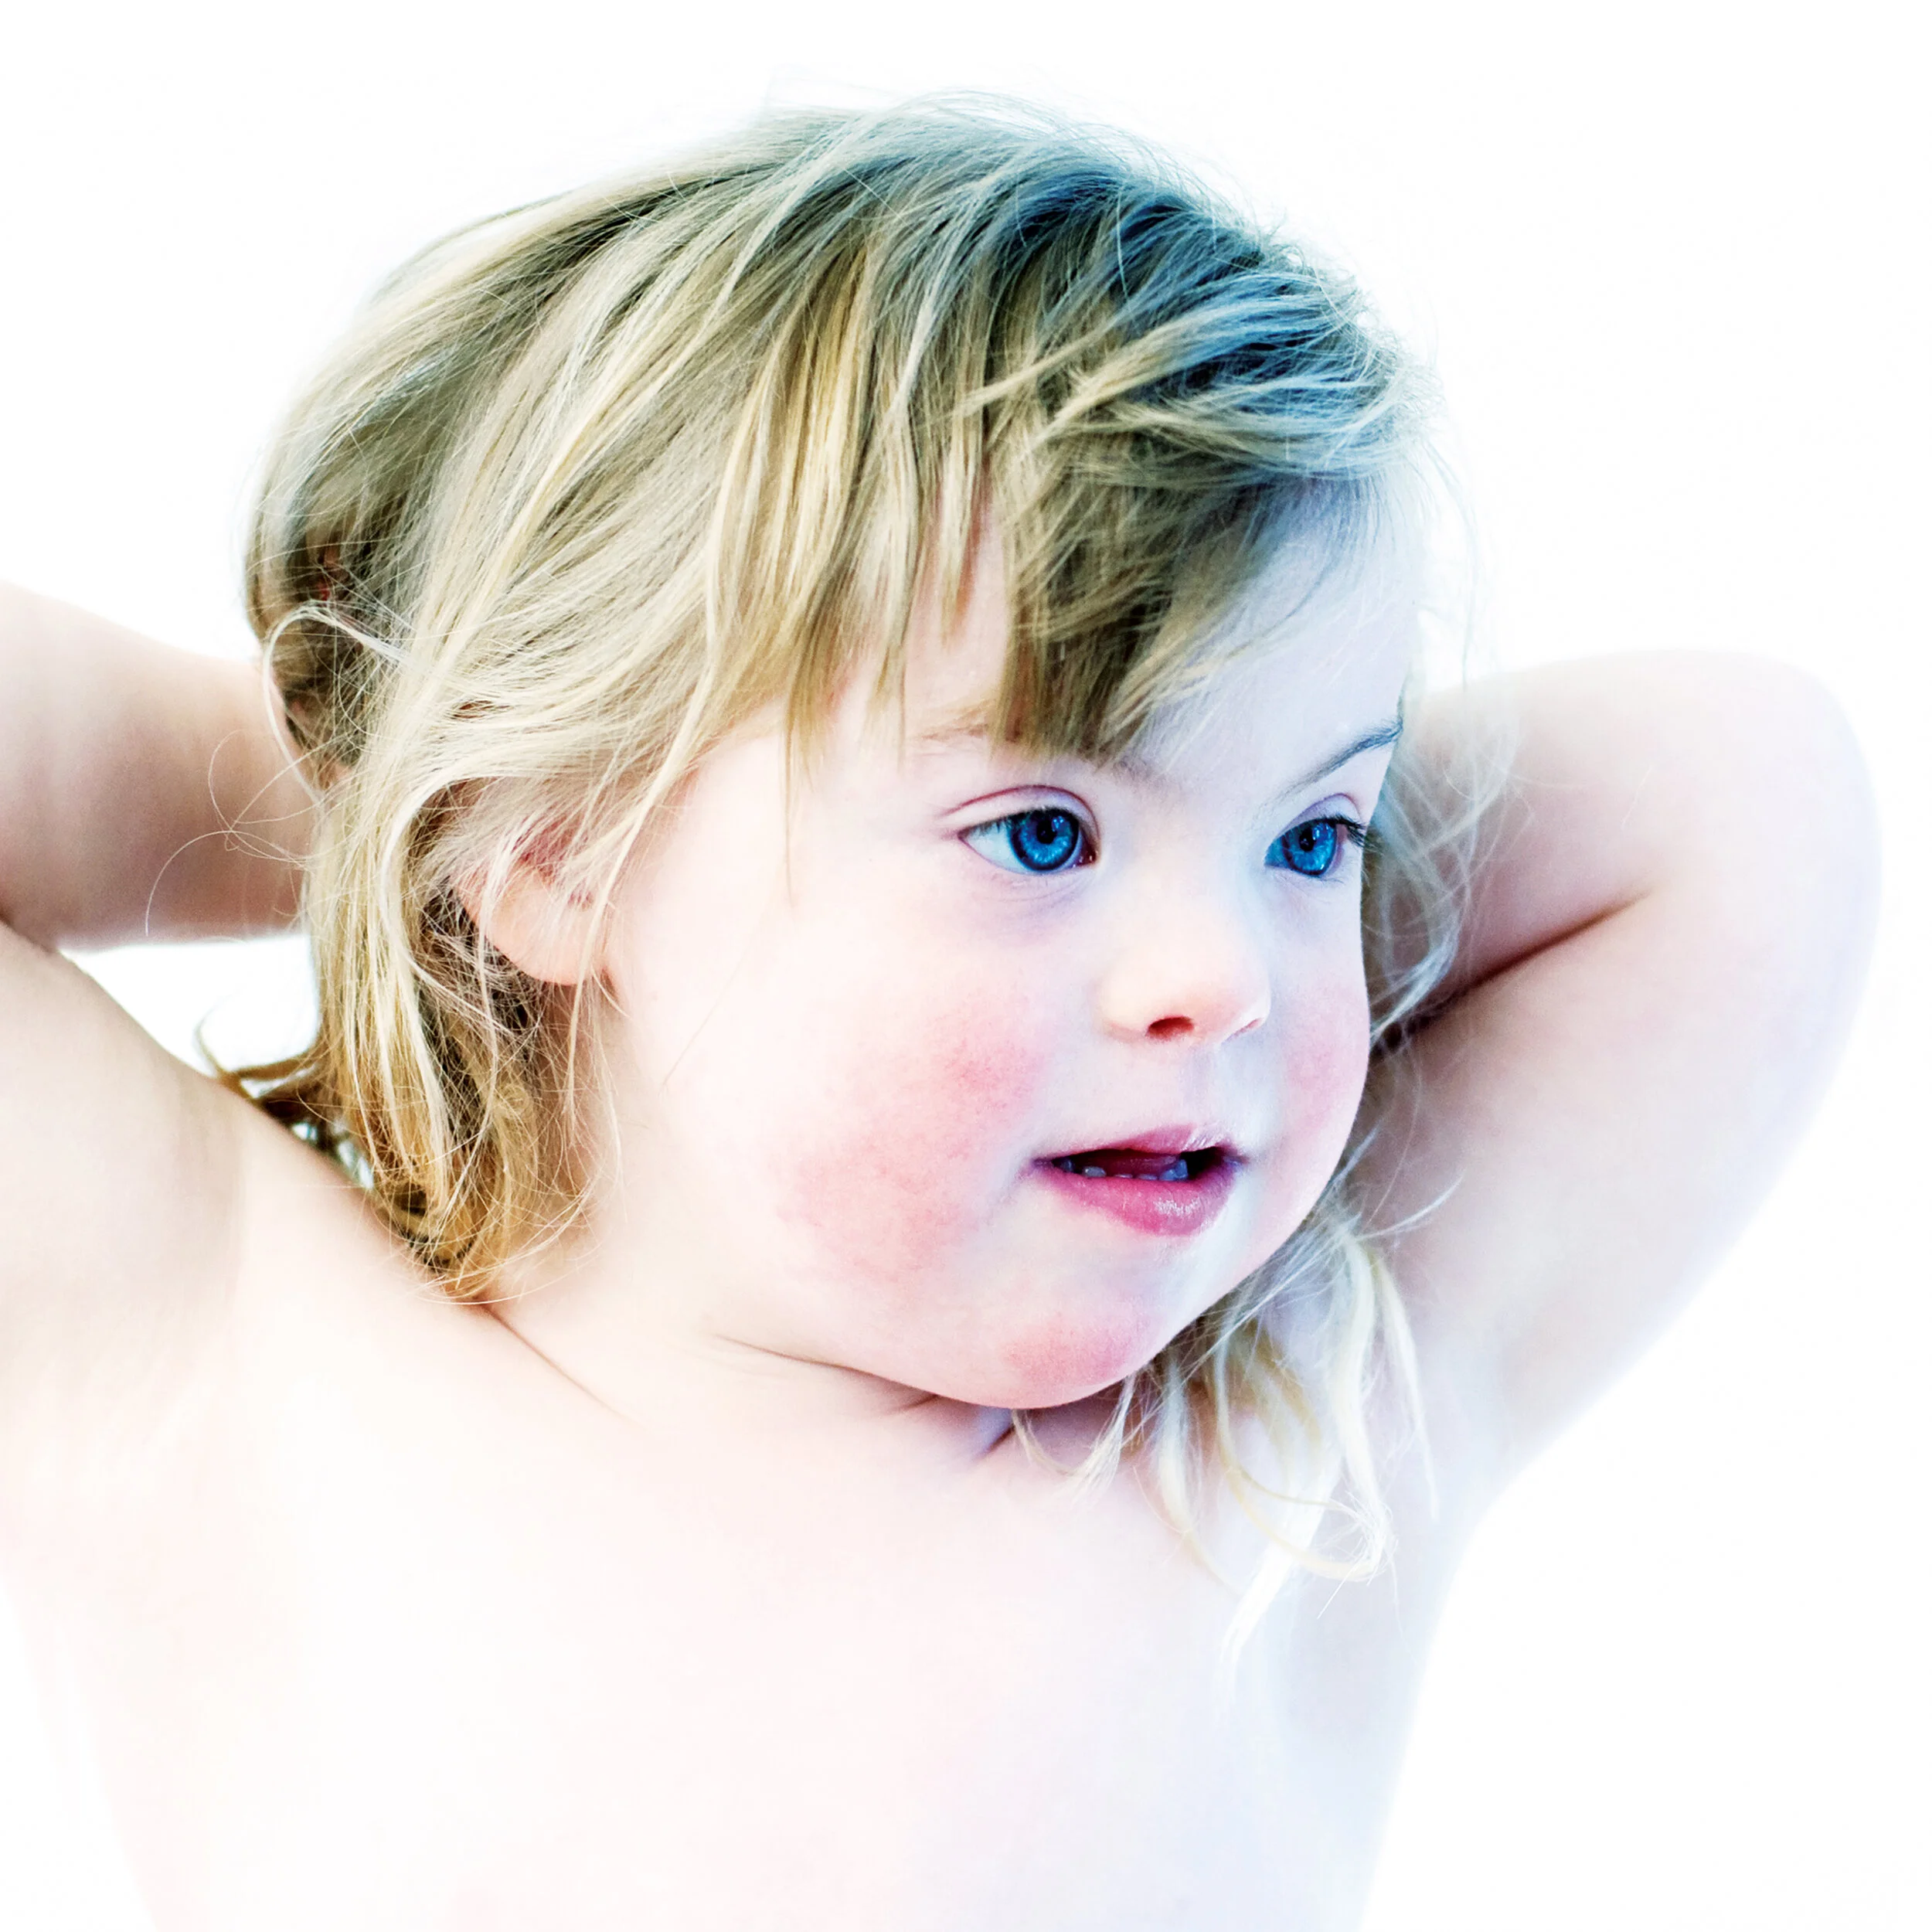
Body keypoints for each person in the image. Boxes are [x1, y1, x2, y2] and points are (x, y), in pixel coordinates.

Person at [0, 100, 1876, 1930]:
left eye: (1314, 835)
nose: (1225, 979)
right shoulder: (224, 1342)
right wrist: (427, 788)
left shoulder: (1281, 1427)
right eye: (1041, 829)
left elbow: (1748, 794)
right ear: (555, 849)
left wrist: (1206, 805)